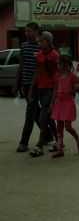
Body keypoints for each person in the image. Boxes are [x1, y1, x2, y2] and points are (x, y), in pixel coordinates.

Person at [29, 31, 59, 158]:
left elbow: (57, 74)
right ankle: (58, 141)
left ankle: (40, 145)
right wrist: (31, 88)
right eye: (39, 41)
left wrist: (56, 93)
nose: (39, 43)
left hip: (50, 89)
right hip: (40, 88)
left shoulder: (54, 55)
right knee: (49, 118)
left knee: (43, 118)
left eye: (41, 41)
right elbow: (37, 72)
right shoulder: (39, 55)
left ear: (48, 41)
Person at [16, 22, 43, 153]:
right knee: (36, 112)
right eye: (25, 31)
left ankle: (23, 142)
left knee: (30, 113)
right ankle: (48, 134)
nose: (27, 34)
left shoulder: (41, 47)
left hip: (38, 85)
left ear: (37, 31)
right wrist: (17, 83)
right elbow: (21, 66)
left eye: (29, 31)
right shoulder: (24, 46)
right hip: (26, 85)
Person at [50, 55, 79, 158]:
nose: (58, 65)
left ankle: (78, 139)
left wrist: (75, 89)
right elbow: (55, 89)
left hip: (68, 102)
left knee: (68, 127)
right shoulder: (57, 76)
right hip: (59, 103)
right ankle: (60, 149)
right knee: (58, 127)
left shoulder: (72, 76)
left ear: (65, 65)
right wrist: (52, 102)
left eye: (59, 63)